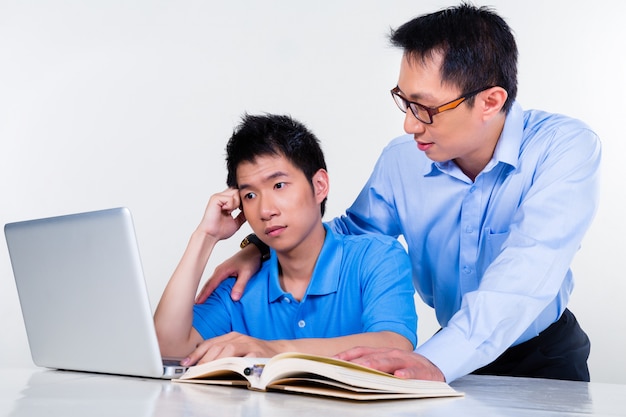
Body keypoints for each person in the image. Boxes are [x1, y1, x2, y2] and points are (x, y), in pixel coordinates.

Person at [196, 4, 601, 382]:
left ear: (490, 102)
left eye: (424, 108)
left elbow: (525, 275)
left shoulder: (563, 150)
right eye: (404, 102)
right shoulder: (403, 160)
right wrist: (258, 245)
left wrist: (436, 361)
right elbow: (349, 231)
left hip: (541, 356)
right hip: (450, 349)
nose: (409, 125)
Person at [153, 113, 417, 366]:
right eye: (250, 196)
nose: (266, 210)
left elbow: (395, 345)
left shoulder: (377, 258)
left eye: (279, 186)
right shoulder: (237, 288)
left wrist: (274, 350)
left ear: (319, 186)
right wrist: (205, 237)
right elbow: (168, 350)